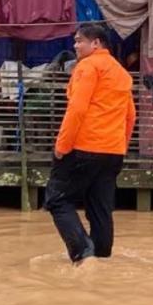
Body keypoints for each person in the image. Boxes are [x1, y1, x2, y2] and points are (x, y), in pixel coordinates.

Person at [44, 23, 136, 264]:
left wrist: (62, 146)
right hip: (113, 151)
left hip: (84, 147)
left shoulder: (87, 66)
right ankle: (102, 256)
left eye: (79, 41)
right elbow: (130, 116)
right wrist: (120, 147)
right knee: (100, 208)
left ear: (96, 43)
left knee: (57, 199)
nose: (75, 46)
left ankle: (83, 252)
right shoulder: (120, 72)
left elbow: (77, 109)